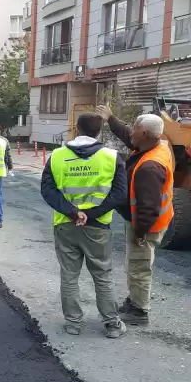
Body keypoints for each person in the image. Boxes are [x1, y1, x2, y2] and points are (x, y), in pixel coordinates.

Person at [41, 113, 129, 338]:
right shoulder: (112, 157)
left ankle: (73, 323)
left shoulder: (57, 156)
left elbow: (48, 190)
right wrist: (90, 214)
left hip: (65, 225)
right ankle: (111, 323)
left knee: (69, 275)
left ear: (76, 128)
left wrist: (73, 213)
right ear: (99, 131)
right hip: (98, 227)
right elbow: (119, 194)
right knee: (102, 275)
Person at [97, 105, 174, 326]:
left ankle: (139, 311)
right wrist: (111, 119)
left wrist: (140, 232)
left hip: (146, 225)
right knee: (136, 263)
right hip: (152, 220)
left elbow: (148, 207)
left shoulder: (149, 167)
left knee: (139, 265)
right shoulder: (157, 145)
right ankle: (135, 301)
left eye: (135, 130)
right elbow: (130, 138)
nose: (131, 133)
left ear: (145, 134)